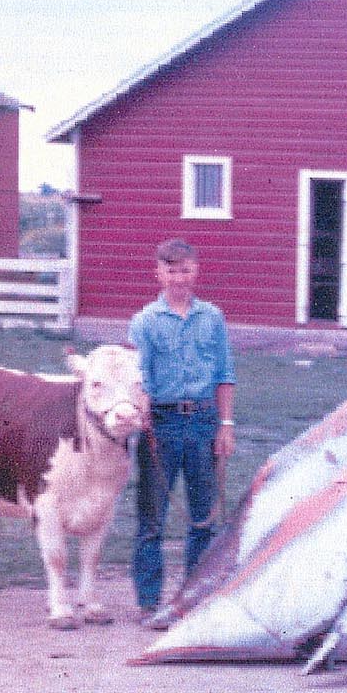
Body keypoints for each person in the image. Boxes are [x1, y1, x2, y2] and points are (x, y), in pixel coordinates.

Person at [128, 238, 237, 629]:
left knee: (204, 517)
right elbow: (136, 379)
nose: (179, 277)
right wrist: (142, 414)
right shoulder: (144, 322)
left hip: (204, 423)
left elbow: (224, 374)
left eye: (186, 269)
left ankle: (194, 598)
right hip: (161, 425)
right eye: (171, 270)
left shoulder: (213, 318)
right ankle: (149, 602)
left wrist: (226, 424)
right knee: (152, 518)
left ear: (196, 271)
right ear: (158, 273)